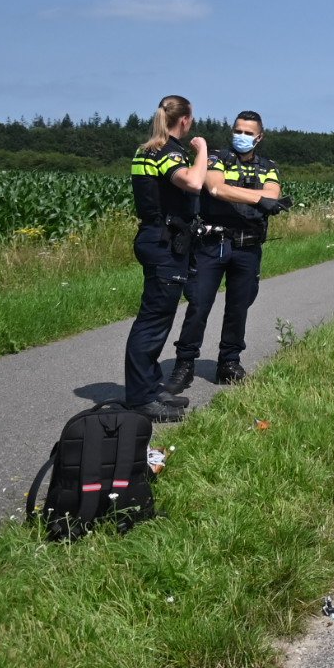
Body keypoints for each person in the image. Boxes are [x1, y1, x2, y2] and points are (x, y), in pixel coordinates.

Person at [165, 110, 289, 394]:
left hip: (248, 247)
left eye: (248, 132)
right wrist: (259, 198)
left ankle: (229, 362)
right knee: (198, 305)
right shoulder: (215, 158)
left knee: (239, 307)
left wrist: (258, 197)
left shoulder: (268, 166)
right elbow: (216, 189)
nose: (241, 136)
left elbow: (274, 195)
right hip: (213, 244)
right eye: (238, 130)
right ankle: (184, 364)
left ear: (259, 137)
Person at [123, 95, 208, 422]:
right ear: (184, 120)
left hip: (155, 238)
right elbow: (193, 182)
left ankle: (149, 386)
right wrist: (200, 150)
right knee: (153, 321)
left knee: (157, 318)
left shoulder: (145, 150)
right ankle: (140, 398)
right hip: (163, 242)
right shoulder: (169, 151)